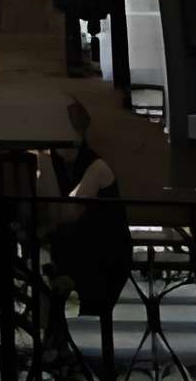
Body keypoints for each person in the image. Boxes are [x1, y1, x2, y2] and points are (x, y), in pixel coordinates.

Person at [39, 97, 133, 320]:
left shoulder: (96, 167)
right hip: (75, 253)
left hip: (103, 255)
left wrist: (44, 161)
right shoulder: (60, 164)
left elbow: (65, 213)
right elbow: (53, 216)